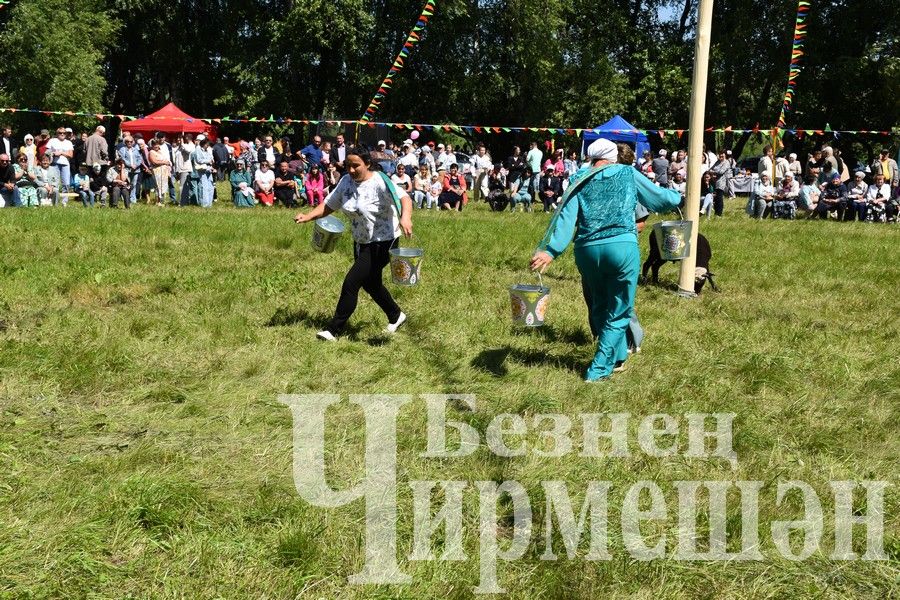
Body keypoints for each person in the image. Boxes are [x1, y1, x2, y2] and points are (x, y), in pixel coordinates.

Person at [529, 138, 680, 382]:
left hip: (587, 251)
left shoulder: (579, 178)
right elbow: (660, 199)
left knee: (599, 305)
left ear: (591, 158)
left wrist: (551, 251)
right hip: (621, 247)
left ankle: (618, 357)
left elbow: (567, 219)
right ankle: (599, 369)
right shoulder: (627, 173)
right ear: (613, 156)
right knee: (620, 309)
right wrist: (677, 196)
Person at [293, 146, 413, 341]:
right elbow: (330, 204)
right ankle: (396, 315)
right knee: (371, 283)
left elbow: (404, 198)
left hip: (384, 241)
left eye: (355, 165)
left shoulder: (380, 181)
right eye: (348, 165)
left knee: (351, 282)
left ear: (367, 164)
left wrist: (406, 218)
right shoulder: (346, 181)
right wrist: (308, 217)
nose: (350, 170)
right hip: (361, 241)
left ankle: (333, 330)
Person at [191, 135, 215, 207]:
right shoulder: (198, 149)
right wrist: (208, 161)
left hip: (209, 170)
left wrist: (211, 163)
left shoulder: (207, 150)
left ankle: (209, 204)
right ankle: (204, 204)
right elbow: (199, 160)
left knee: (210, 187)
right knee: (203, 187)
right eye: (207, 144)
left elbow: (210, 158)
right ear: (203, 143)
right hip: (202, 170)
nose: (208, 146)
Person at [47, 127, 74, 192]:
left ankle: (64, 201)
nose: (62, 134)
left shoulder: (68, 142)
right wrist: (53, 153)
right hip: (54, 163)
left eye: (64, 133)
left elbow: (71, 155)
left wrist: (61, 153)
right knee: (54, 182)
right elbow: (47, 152)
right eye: (60, 133)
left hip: (65, 164)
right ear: (57, 134)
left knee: (66, 182)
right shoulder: (52, 140)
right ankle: (54, 198)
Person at [148, 139, 172, 206]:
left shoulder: (160, 152)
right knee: (158, 186)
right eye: (155, 145)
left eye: (157, 145)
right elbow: (154, 161)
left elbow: (165, 159)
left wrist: (167, 163)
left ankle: (162, 201)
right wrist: (164, 162)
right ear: (152, 145)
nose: (156, 147)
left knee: (163, 186)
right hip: (157, 171)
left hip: (163, 171)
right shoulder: (151, 152)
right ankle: (158, 201)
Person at [709, 149, 732, 216]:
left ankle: (719, 213)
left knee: (719, 198)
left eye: (722, 154)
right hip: (714, 182)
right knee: (715, 198)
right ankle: (716, 212)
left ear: (725, 154)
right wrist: (713, 172)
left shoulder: (726, 162)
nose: (721, 155)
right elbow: (710, 168)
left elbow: (721, 171)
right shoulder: (717, 162)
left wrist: (713, 172)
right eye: (720, 154)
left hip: (721, 183)